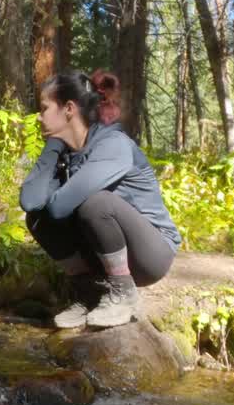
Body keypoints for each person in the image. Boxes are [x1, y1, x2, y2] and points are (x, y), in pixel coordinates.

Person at [20, 70, 181, 329]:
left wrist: (56, 150)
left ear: (69, 109)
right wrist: (54, 147)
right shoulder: (67, 152)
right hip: (104, 250)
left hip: (151, 255)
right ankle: (90, 294)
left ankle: (123, 295)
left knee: (96, 204)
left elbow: (61, 206)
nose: (39, 117)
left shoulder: (113, 145)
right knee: (38, 218)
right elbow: (30, 202)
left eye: (45, 108)